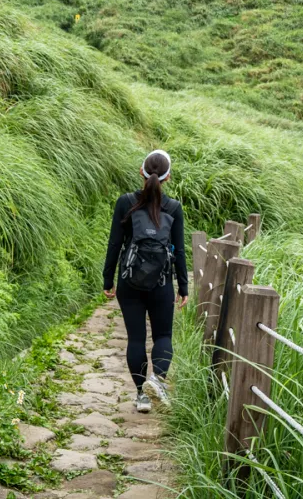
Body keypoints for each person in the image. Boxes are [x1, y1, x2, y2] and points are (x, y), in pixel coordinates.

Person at [103, 150, 188, 413]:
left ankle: (142, 396)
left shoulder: (125, 202)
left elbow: (115, 244)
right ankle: (157, 380)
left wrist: (108, 279)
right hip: (161, 283)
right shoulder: (173, 208)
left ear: (141, 172)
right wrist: (183, 286)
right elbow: (179, 250)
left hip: (129, 282)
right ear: (168, 177)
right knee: (163, 335)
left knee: (136, 339)